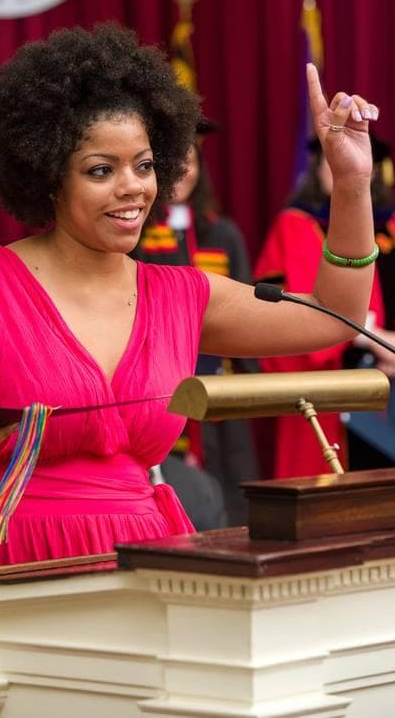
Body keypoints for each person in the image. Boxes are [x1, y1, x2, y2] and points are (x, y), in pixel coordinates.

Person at [0, 22, 379, 572]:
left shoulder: (182, 294)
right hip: (13, 566)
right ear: (48, 175)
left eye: (145, 165)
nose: (133, 187)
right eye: (102, 170)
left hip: (145, 563)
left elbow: (336, 317)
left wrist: (352, 184)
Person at [254, 134, 395, 478]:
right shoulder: (295, 225)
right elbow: (297, 314)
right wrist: (376, 340)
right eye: (332, 160)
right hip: (328, 393)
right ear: (316, 168)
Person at [133, 132, 259, 525]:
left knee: (233, 493)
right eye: (175, 161)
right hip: (163, 389)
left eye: (192, 161)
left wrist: (251, 387)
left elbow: (249, 311)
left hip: (220, 390)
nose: (185, 172)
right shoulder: (135, 236)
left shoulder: (222, 234)